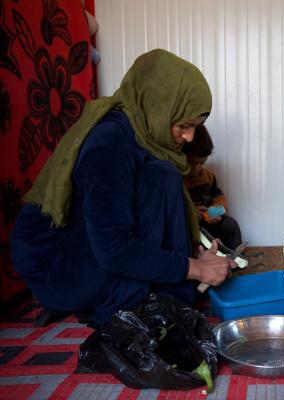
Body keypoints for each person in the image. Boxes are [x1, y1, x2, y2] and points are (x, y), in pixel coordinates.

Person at [10, 49, 236, 327]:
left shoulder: (144, 136)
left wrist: (193, 257)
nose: (189, 137)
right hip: (58, 270)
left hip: (89, 254)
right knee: (161, 175)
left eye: (196, 126)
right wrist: (196, 269)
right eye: (185, 124)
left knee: (162, 174)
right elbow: (114, 248)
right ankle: (119, 302)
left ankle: (165, 295)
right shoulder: (110, 143)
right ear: (158, 105)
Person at [182, 125, 243, 250]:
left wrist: (215, 212)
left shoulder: (208, 176)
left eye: (202, 162)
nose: (197, 168)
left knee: (230, 225)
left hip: (207, 221)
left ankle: (235, 258)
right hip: (189, 224)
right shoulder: (176, 179)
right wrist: (192, 214)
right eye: (192, 163)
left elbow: (220, 199)